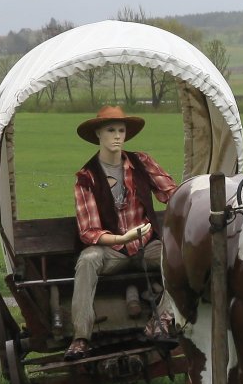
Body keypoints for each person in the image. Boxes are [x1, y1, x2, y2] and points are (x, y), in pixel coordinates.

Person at [65, 105, 179, 361]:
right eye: (110, 130)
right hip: (111, 250)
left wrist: (196, 204)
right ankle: (81, 337)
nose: (117, 136)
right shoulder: (86, 177)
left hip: (147, 246)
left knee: (178, 255)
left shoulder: (142, 162)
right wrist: (123, 238)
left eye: (121, 130)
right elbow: (89, 231)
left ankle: (160, 321)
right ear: (98, 134)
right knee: (87, 259)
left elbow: (173, 194)